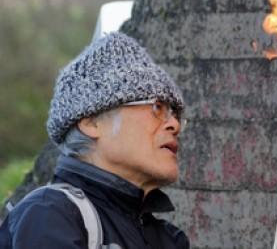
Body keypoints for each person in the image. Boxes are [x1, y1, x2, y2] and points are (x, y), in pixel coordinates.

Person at [0, 32, 189, 248]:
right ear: (91, 123)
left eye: (175, 114)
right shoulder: (48, 217)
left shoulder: (169, 240)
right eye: (157, 107)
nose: (174, 124)